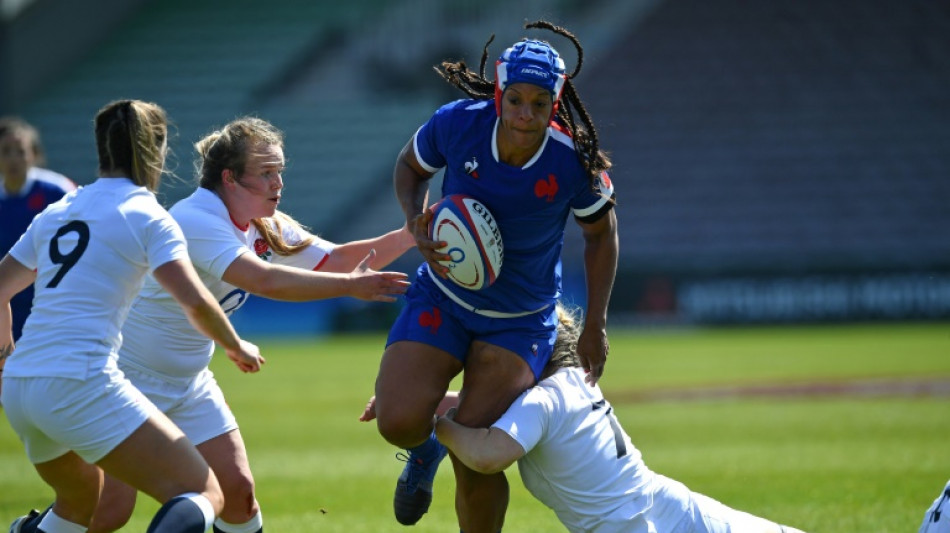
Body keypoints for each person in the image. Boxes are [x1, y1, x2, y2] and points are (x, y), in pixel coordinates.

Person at [79, 116, 414, 533]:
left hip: (189, 383)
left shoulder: (263, 222)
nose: (279, 183)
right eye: (266, 173)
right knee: (111, 510)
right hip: (128, 380)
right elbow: (263, 279)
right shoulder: (196, 218)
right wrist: (350, 287)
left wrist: (410, 234)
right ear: (230, 178)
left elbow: (338, 259)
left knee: (238, 494)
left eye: (280, 171)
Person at [372, 20, 618, 532]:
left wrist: (595, 324)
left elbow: (602, 234)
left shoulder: (574, 159)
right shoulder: (457, 123)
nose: (526, 114)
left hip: (518, 321)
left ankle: (451, 442)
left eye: (540, 103)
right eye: (516, 100)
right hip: (442, 296)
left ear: (556, 102)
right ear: (499, 94)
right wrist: (414, 219)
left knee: (477, 456)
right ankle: (425, 450)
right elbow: (410, 166)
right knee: (397, 422)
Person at [0, 99, 265, 533]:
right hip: (80, 380)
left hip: (22, 387)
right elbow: (195, 301)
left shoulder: (59, 209)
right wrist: (234, 345)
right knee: (202, 492)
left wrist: (4, 362)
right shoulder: (148, 216)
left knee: (80, 503)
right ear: (154, 150)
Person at [363, 305, 808, 533]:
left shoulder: (542, 402)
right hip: (667, 504)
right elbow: (503, 408)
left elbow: (486, 456)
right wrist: (424, 406)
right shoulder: (573, 383)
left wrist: (437, 426)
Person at [0, 117, 77, 342]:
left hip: (49, 305)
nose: (13, 159)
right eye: (6, 151)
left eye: (20, 151)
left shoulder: (58, 191)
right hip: (6, 303)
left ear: (34, 154)